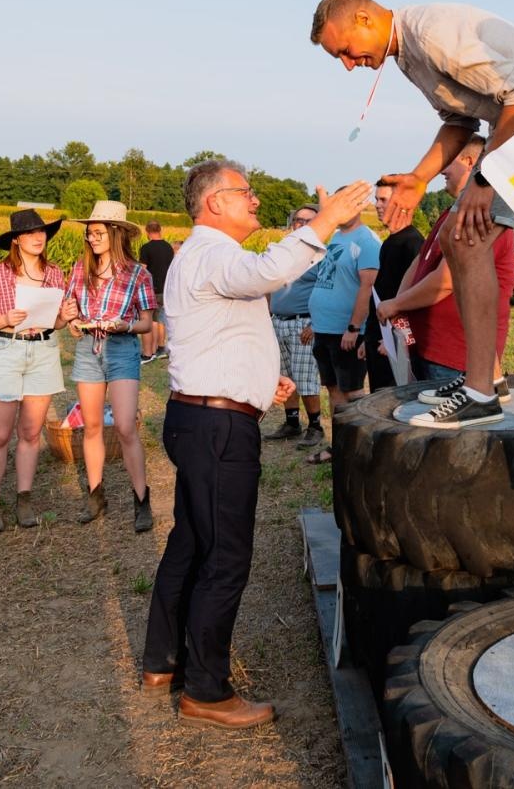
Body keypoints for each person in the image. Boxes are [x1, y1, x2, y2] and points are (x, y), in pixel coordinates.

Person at [140, 160, 369, 730]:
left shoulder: (202, 255)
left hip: (200, 418)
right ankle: (206, 691)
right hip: (216, 430)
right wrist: (326, 223)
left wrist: (263, 379)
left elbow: (218, 333)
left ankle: (162, 659)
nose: (257, 202)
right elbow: (267, 273)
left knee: (191, 542)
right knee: (224, 558)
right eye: (246, 193)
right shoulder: (214, 253)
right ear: (215, 202)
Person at [311, 0, 514, 428]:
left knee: (467, 240)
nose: (349, 64)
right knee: (452, 237)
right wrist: (421, 177)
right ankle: (489, 380)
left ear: (365, 18)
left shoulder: (430, 33)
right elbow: (459, 123)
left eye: (345, 51)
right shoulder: (407, 54)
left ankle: (480, 390)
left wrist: (485, 177)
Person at [375, 137, 514, 390]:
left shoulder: (482, 213)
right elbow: (420, 263)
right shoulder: (452, 213)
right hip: (430, 348)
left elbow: (447, 281)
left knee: (453, 428)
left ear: (469, 162)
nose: (442, 170)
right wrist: (400, 308)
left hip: (456, 354)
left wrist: (396, 304)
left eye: (448, 162)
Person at [0, 210, 71, 533]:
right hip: (5, 350)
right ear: (16, 240)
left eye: (42, 232)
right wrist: (5, 319)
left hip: (43, 350)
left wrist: (64, 316)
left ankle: (24, 500)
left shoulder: (55, 274)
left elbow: (53, 321)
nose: (38, 237)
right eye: (30, 233)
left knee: (30, 433)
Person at [65, 201, 156, 531]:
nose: (91, 238)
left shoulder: (138, 274)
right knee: (91, 426)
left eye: (98, 232)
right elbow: (70, 310)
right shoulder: (79, 269)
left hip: (121, 350)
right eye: (89, 233)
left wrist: (125, 326)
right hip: (88, 349)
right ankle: (95, 493)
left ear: (116, 233)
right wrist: (72, 321)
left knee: (125, 426)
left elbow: (147, 323)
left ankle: (141, 498)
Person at [305, 205, 381, 454]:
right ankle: (339, 446)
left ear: (357, 208)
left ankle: (361, 446)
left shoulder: (366, 241)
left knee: (353, 391)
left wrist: (354, 327)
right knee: (333, 388)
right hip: (324, 329)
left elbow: (367, 287)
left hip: (345, 331)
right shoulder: (337, 237)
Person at [264, 206, 324, 448]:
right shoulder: (281, 252)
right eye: (298, 219)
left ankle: (316, 425)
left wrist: (316, 323)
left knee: (305, 377)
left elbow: (327, 291)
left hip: (303, 324)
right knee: (284, 375)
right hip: (278, 321)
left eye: (308, 220)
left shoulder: (320, 256)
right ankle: (292, 423)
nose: (301, 223)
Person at [362, 183, 423, 391]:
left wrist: (398, 340)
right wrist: (367, 337)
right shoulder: (389, 242)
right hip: (378, 337)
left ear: (403, 205)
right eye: (376, 199)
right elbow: (382, 291)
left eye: (383, 200)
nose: (377, 205)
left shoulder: (412, 243)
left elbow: (414, 296)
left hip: (393, 342)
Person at [138, 221, 175, 363]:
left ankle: (150, 351)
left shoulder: (146, 248)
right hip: (166, 289)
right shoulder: (168, 248)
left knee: (150, 320)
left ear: (147, 231)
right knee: (161, 320)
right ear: (160, 230)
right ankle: (161, 348)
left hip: (151, 289)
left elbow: (143, 270)